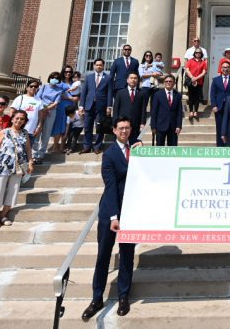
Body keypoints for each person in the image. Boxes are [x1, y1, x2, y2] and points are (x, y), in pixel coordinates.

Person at [82, 117, 140, 320]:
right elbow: (111, 187)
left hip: (131, 210)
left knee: (127, 254)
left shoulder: (137, 149)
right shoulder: (109, 154)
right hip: (111, 212)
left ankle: (123, 296)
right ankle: (97, 297)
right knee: (104, 255)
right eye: (121, 128)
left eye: (127, 127)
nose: (124, 131)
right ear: (114, 130)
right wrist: (115, 216)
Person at [0, 108, 33, 228]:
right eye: (17, 118)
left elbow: (28, 149)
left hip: (18, 168)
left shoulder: (25, 133)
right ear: (12, 119)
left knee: (13, 192)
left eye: (22, 119)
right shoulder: (4, 132)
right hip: (2, 166)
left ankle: (4, 214)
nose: (19, 120)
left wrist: (31, 162)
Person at [81, 59, 112, 154]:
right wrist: (81, 106)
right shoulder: (88, 77)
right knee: (87, 126)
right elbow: (84, 92)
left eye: (100, 65)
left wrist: (109, 106)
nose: (98, 66)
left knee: (99, 127)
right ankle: (87, 146)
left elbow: (110, 93)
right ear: (94, 66)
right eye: (97, 65)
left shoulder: (108, 78)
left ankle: (97, 147)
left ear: (103, 66)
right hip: (89, 105)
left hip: (101, 106)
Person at [35, 71, 67, 162]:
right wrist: (43, 109)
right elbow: (38, 98)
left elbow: (56, 102)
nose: (54, 79)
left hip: (51, 112)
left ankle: (40, 155)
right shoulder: (44, 87)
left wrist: (48, 108)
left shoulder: (59, 90)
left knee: (46, 133)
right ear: (50, 78)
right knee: (37, 131)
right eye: (53, 77)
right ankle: (34, 153)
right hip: (40, 110)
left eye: (57, 78)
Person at [149, 74, 183, 146]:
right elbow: (154, 112)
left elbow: (179, 112)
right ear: (164, 82)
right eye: (166, 81)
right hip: (160, 126)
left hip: (173, 127)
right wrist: (153, 126)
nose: (168, 82)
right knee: (160, 148)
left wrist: (179, 125)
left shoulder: (178, 95)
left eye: (170, 81)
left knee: (172, 149)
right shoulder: (157, 95)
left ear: (174, 83)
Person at [112, 72, 146, 145]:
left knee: (134, 145)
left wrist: (142, 123)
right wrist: (115, 123)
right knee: (121, 145)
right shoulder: (120, 92)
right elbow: (116, 109)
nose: (133, 80)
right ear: (127, 80)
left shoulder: (141, 93)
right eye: (131, 78)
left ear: (138, 80)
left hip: (136, 125)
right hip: (122, 124)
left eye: (135, 78)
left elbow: (143, 110)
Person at [209, 60, 230, 147]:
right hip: (219, 108)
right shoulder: (216, 80)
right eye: (224, 67)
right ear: (221, 68)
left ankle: (229, 145)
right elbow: (212, 94)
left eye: (227, 67)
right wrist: (213, 105)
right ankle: (220, 146)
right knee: (219, 127)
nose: (225, 69)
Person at [183, 49, 208, 121]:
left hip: (199, 82)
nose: (198, 54)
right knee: (191, 96)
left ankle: (196, 112)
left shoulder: (203, 62)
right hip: (191, 81)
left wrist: (196, 78)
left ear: (201, 54)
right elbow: (187, 69)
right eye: (196, 52)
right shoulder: (190, 61)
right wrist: (192, 77)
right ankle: (191, 111)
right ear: (194, 53)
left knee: (197, 97)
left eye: (199, 53)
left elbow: (204, 72)